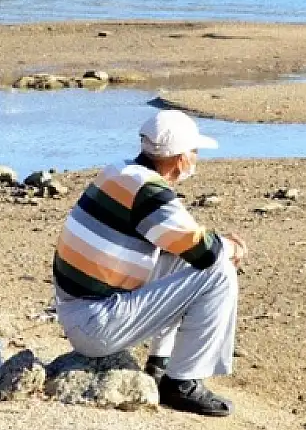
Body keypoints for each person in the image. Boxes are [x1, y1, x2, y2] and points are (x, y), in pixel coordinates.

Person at [52, 110, 247, 417]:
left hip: (80, 311)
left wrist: (217, 244)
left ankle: (160, 364)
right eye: (194, 152)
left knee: (183, 260)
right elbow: (206, 253)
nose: (196, 158)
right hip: (94, 324)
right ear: (179, 158)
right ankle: (182, 383)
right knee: (218, 271)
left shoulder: (119, 171)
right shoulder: (150, 191)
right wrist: (232, 246)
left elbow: (186, 244)